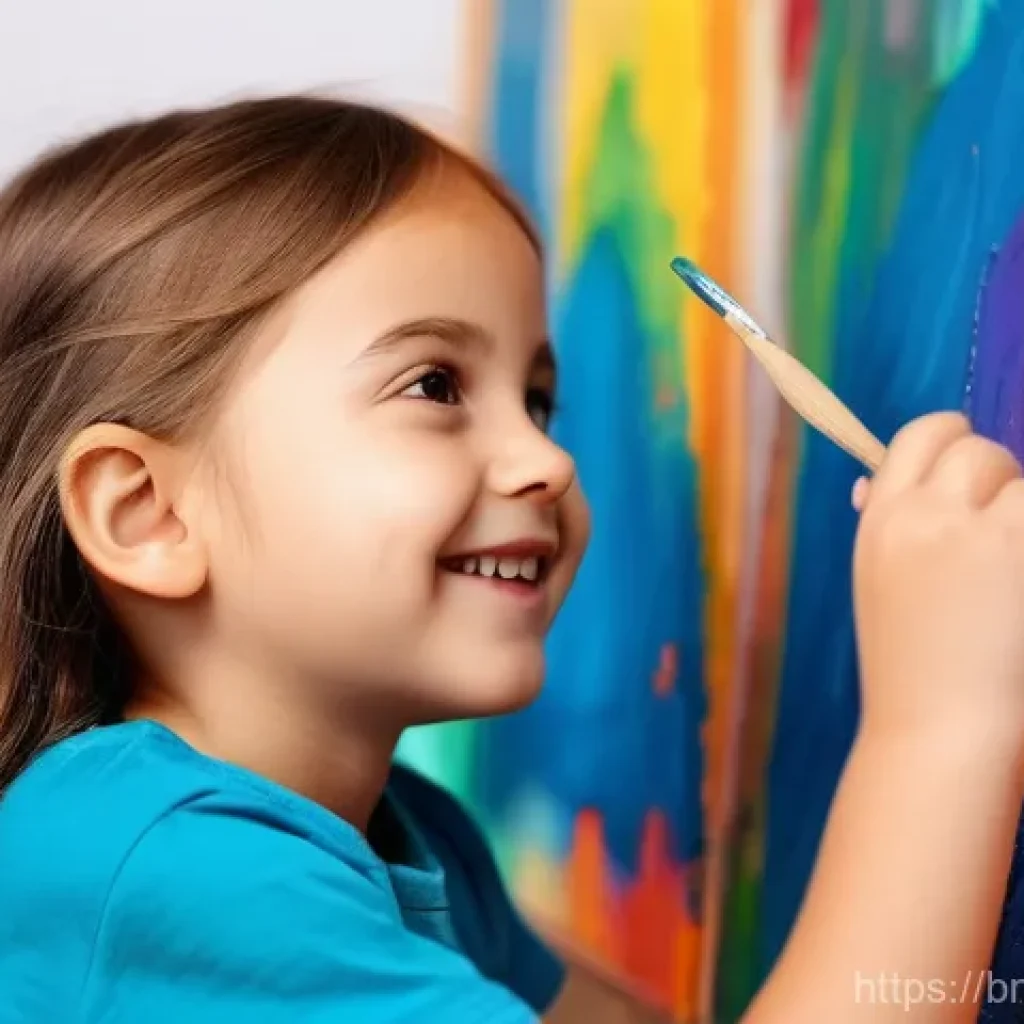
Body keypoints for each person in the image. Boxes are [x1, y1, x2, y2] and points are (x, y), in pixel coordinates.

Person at [0, 95, 1021, 1024]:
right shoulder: (167, 874)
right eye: (435, 385)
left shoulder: (411, 835)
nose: (545, 459)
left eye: (537, 398)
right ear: (146, 514)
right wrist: (945, 723)